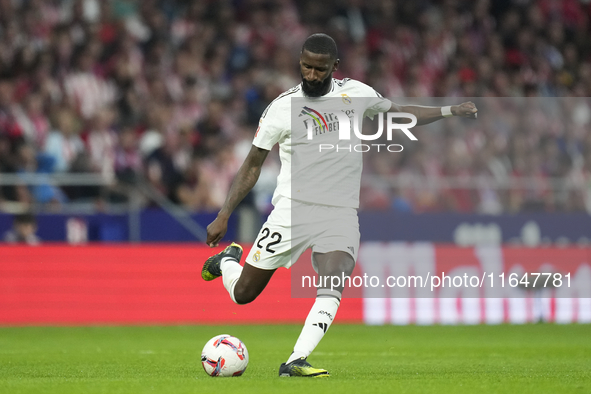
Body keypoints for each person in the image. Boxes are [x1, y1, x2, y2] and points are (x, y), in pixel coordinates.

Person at [202, 33, 478, 377]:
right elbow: (253, 163)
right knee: (243, 294)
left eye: (319, 69)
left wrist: (449, 110)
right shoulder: (281, 108)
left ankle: (295, 360)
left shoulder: (358, 94)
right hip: (292, 210)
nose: (312, 75)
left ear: (334, 67)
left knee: (334, 279)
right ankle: (228, 262)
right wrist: (224, 213)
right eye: (306, 67)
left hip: (340, 212)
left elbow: (402, 113)